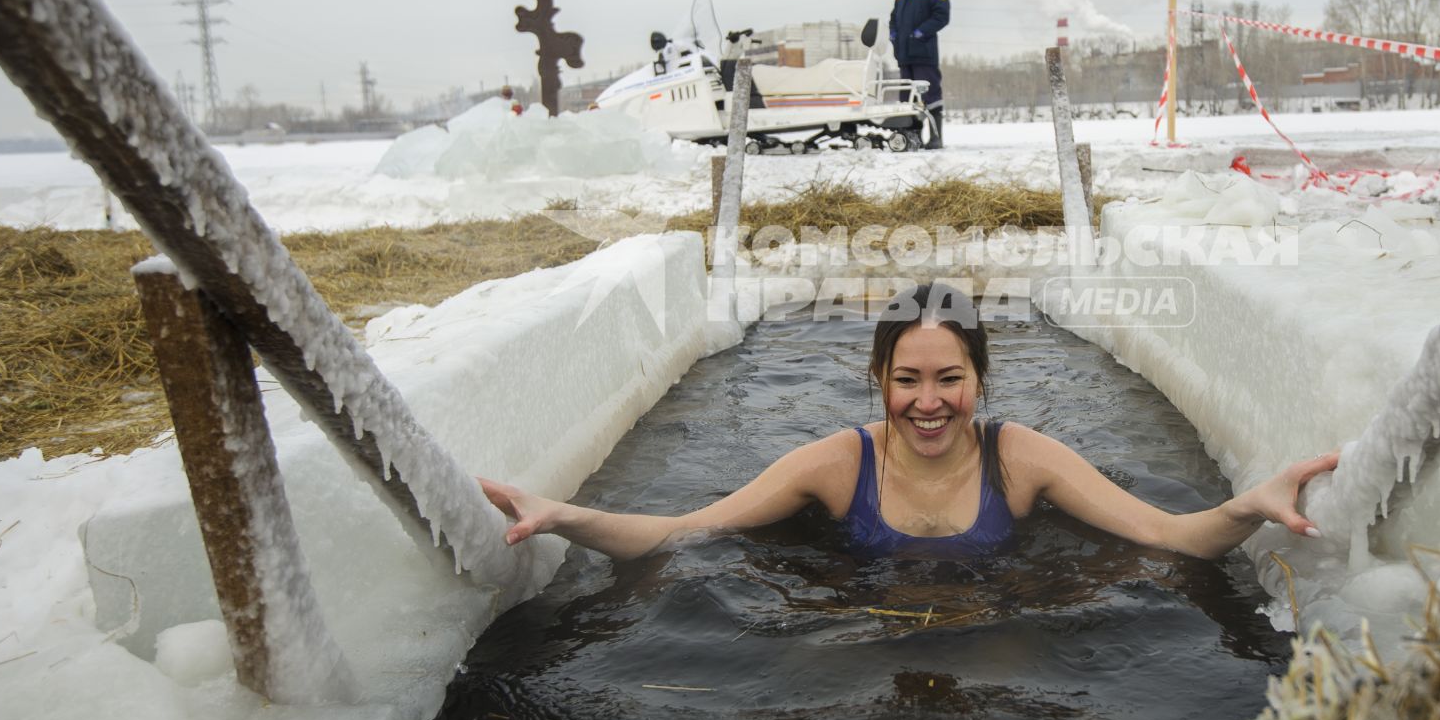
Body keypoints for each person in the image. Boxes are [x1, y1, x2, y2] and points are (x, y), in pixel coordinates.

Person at [480, 284, 1333, 563]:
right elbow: (681, 531)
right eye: (909, 379)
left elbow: (1168, 534)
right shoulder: (837, 463)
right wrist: (565, 517)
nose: (930, 402)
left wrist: (1248, 505)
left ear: (980, 380)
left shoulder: (1021, 458)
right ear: (878, 380)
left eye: (950, 379)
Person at [888, 0, 950, 150]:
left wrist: (921, 32)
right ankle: (912, 138)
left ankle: (935, 138)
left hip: (924, 52)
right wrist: (893, 34)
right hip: (904, 54)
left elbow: (942, 15)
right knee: (907, 99)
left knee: (930, 94)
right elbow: (893, 17)